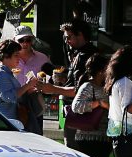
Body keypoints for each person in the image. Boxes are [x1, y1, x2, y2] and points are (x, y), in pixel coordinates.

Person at [38, 19, 98, 148]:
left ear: (80, 34)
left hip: (83, 116)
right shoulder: (80, 54)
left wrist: (53, 88)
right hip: (79, 114)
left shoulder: (86, 56)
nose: (66, 41)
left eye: (69, 37)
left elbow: (80, 91)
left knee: (77, 154)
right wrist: (64, 80)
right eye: (65, 38)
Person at [70, 54, 111, 157]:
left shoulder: (106, 87)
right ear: (100, 71)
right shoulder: (88, 86)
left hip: (103, 138)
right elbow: (76, 106)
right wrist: (98, 103)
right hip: (89, 139)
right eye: (107, 69)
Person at [0, 39, 37, 120]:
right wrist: (27, 85)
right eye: (16, 55)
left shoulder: (7, 73)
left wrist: (28, 89)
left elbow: (15, 94)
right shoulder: (0, 74)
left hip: (9, 119)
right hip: (3, 120)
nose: (19, 58)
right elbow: (9, 97)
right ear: (6, 56)